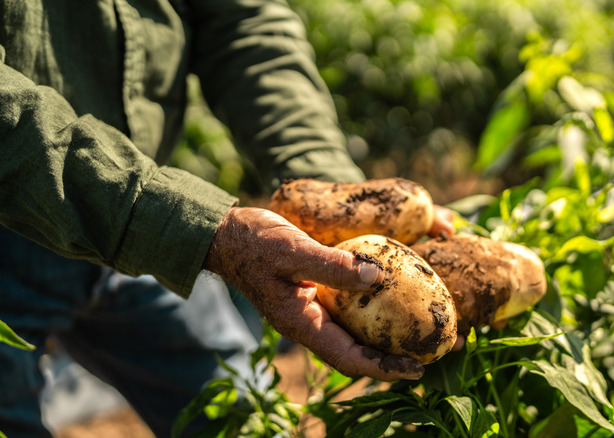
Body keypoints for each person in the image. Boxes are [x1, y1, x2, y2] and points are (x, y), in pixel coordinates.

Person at [0, 0, 454, 436]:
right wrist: (208, 233)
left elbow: (243, 21)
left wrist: (329, 196)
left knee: (243, 418)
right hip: (65, 222)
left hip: (152, 229)